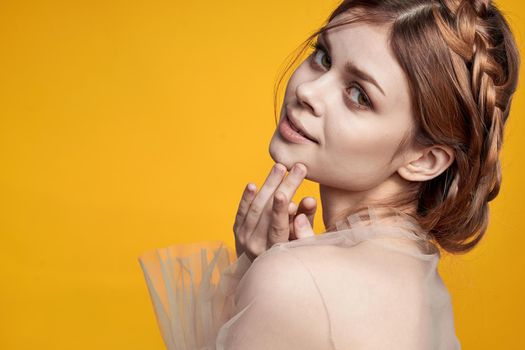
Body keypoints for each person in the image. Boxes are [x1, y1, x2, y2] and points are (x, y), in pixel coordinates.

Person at [138, 0, 520, 349]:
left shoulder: (295, 281)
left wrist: (263, 278)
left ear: (425, 160)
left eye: (359, 96)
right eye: (323, 57)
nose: (309, 91)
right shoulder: (421, 284)